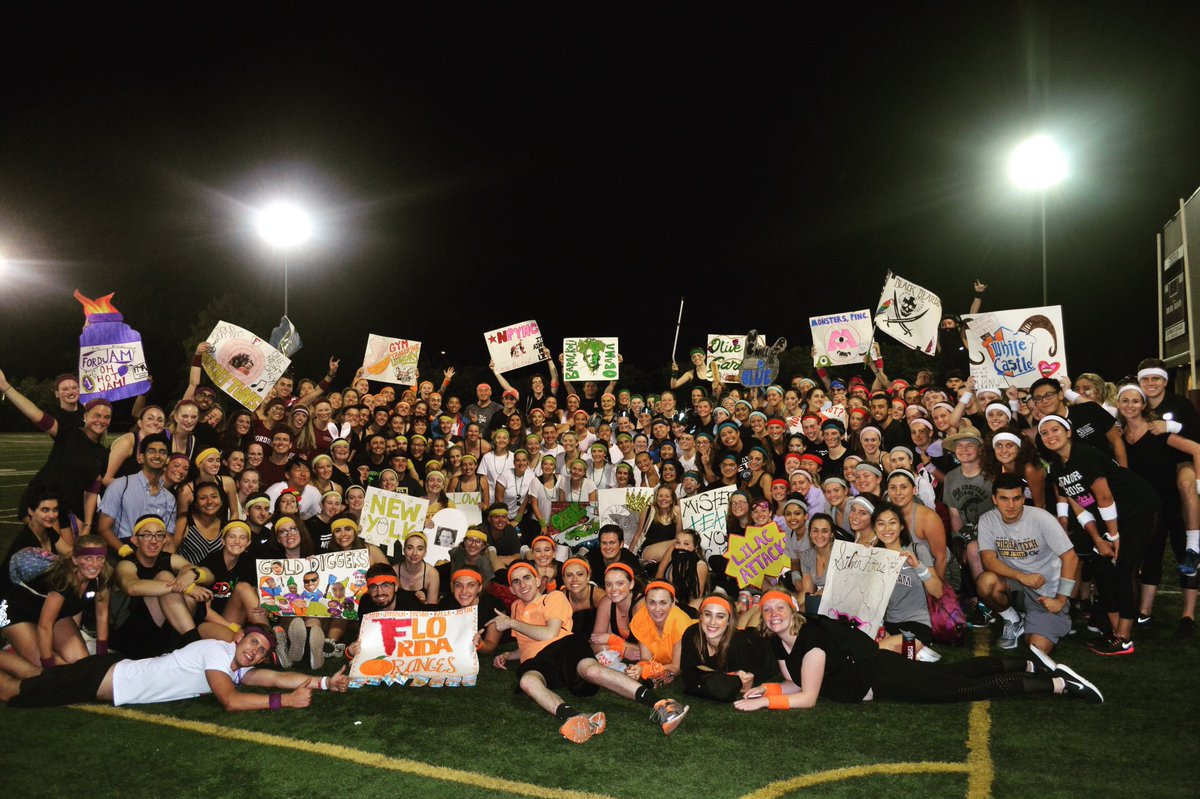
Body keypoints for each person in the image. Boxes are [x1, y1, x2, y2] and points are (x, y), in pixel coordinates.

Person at [732, 591, 1103, 710]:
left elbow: (810, 697)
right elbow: (797, 685)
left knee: (959, 688)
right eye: (767, 610)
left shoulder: (810, 639)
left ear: (792, 612)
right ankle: (1030, 662)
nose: (773, 614)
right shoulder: (779, 646)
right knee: (953, 673)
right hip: (877, 671)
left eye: (780, 607)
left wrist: (765, 703)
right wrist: (770, 689)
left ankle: (1058, 685)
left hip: (882, 674)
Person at [492, 562, 689, 743]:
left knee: (592, 671)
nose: (522, 584)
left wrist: (511, 623)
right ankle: (577, 720)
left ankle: (663, 705)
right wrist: (509, 655)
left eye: (526, 578)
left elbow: (549, 633)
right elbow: (527, 642)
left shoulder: (553, 597)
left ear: (536, 581)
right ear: (511, 589)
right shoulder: (516, 607)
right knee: (527, 681)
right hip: (536, 660)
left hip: (563, 646)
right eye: (515, 581)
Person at [0, 624, 351, 710]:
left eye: (261, 651)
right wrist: (284, 702)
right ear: (240, 637)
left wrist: (323, 683)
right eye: (254, 642)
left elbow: (276, 677)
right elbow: (230, 701)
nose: (255, 651)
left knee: (36, 678)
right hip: (101, 678)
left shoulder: (234, 663)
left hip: (107, 672)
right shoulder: (218, 651)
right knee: (16, 693)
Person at [1040, 414, 1160, 656]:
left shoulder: (1084, 455)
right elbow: (1079, 506)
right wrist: (1097, 539)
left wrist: (1113, 538)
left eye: (1056, 429)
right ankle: (1116, 631)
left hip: (1138, 507)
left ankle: (1124, 638)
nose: (1050, 436)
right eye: (1044, 433)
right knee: (1102, 568)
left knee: (1125, 567)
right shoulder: (1056, 467)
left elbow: (1104, 497)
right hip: (1111, 516)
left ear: (1069, 432)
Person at [0, 368, 111, 542]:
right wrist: (7, 388)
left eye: (106, 417)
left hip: (66, 505)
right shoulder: (68, 431)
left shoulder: (102, 453)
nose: (101, 420)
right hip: (42, 498)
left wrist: (88, 524)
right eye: (96, 415)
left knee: (67, 556)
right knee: (51, 552)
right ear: (86, 416)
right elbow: (36, 415)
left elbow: (93, 488)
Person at [976, 474, 1078, 654]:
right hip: (1017, 584)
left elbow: (1071, 557)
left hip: (1046, 592)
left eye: (1016, 498)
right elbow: (988, 560)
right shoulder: (987, 520)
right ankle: (1013, 621)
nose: (1011, 505)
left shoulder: (1042, 518)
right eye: (1004, 499)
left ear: (1023, 498)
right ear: (994, 499)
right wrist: (1020, 576)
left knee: (1036, 649)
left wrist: (1061, 600)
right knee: (986, 582)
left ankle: (1052, 619)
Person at [110, 514, 214, 658]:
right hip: (131, 635)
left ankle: (177, 650)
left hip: (163, 634)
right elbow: (131, 587)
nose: (153, 541)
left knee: (188, 595)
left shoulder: (167, 558)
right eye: (146, 535)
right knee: (165, 577)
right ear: (135, 540)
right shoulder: (127, 564)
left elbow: (210, 576)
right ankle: (194, 646)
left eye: (159, 535)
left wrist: (194, 574)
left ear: (165, 540)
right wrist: (184, 587)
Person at [0, 535, 111, 667]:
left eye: (100, 558)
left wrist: (101, 653)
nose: (95, 564)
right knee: (54, 670)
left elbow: (101, 614)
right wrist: (48, 664)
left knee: (83, 665)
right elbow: (45, 626)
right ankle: (14, 648)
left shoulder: (102, 576)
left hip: (54, 615)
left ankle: (28, 647)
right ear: (75, 559)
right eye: (88, 558)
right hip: (18, 613)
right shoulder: (63, 579)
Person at [679, 595, 778, 702]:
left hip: (760, 647)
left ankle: (757, 606)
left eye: (720, 616)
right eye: (708, 614)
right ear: (701, 616)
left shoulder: (738, 648)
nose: (712, 622)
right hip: (738, 635)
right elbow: (688, 670)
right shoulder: (691, 634)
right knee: (746, 629)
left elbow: (743, 687)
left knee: (753, 630)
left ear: (728, 621)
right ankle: (747, 605)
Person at [95, 433, 176, 552]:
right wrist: (123, 550)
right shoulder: (121, 485)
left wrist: (169, 563)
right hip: (122, 549)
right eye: (151, 451)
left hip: (154, 554)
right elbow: (103, 528)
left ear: (168, 459)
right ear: (141, 457)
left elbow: (168, 540)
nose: (157, 456)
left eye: (163, 452)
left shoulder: (169, 499)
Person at [625, 581, 696, 683]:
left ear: (673, 603)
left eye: (663, 603)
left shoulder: (681, 625)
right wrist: (637, 668)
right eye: (652, 602)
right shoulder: (641, 618)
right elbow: (646, 658)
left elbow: (677, 667)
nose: (657, 609)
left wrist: (645, 669)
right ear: (645, 603)